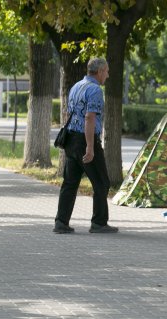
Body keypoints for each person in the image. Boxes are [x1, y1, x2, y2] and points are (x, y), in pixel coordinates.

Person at [54, 57, 118, 234]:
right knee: (102, 182)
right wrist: (90, 147)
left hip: (71, 140)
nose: (108, 74)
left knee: (70, 182)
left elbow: (69, 113)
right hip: (86, 139)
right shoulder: (95, 90)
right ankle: (99, 223)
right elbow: (90, 118)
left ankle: (61, 222)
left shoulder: (76, 86)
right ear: (99, 72)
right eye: (106, 71)